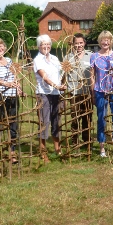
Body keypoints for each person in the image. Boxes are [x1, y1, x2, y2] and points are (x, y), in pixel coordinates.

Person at [0, 38, 21, 170]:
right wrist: (6, 84)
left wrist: (18, 87)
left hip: (12, 96)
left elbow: (15, 75)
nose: (0, 49)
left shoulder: (10, 61)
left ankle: (12, 154)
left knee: (13, 125)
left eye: (1, 46)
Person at [90, 30, 113, 158]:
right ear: (100, 41)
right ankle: (102, 148)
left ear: (111, 41)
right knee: (101, 119)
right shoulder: (94, 56)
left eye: (108, 40)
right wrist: (93, 92)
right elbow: (92, 76)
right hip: (100, 91)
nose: (105, 42)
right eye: (103, 40)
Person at [33, 34, 66, 162]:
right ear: (39, 46)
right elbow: (44, 77)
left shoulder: (54, 58)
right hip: (44, 94)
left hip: (56, 94)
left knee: (56, 121)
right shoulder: (38, 60)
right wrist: (56, 86)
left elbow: (60, 73)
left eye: (47, 44)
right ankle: (43, 151)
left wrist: (61, 85)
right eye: (43, 45)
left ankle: (58, 149)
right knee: (44, 122)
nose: (45, 46)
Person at [63, 33, 93, 149]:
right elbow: (64, 75)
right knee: (75, 118)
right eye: (76, 43)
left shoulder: (90, 56)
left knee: (87, 117)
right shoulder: (68, 57)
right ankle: (75, 141)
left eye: (81, 43)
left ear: (84, 43)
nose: (79, 45)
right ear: (73, 44)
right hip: (74, 92)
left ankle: (86, 141)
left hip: (86, 92)